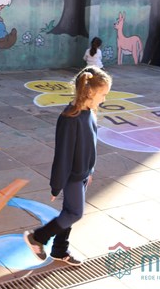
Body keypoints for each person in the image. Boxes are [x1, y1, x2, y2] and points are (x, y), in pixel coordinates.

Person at [23, 66, 112, 266]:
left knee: (68, 213)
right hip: (72, 176)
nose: (104, 99)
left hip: (83, 174)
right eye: (103, 94)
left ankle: (59, 250)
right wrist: (56, 185)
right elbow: (63, 155)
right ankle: (38, 238)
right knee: (75, 213)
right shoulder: (70, 118)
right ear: (90, 92)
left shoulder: (89, 112)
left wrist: (89, 170)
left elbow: (90, 145)